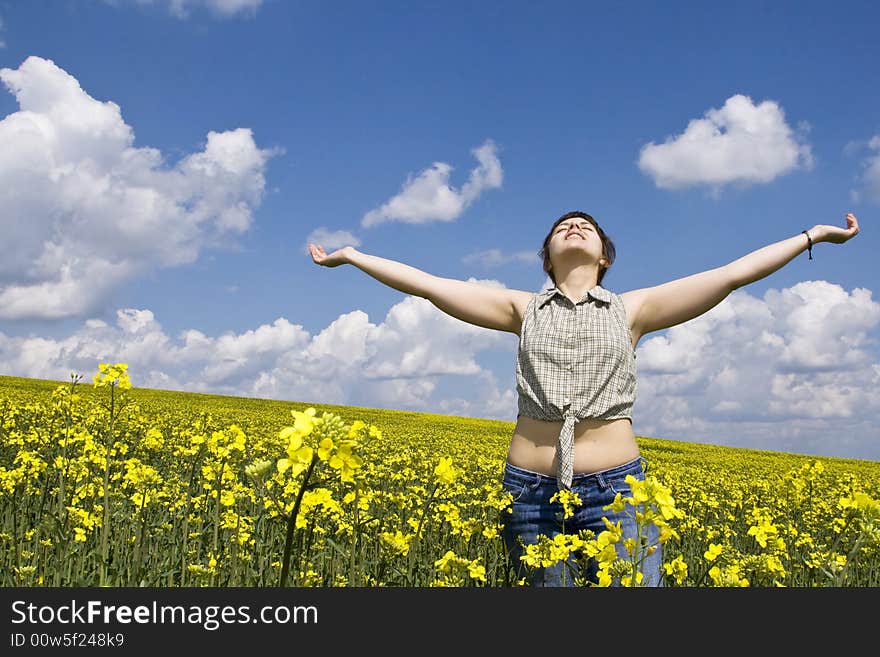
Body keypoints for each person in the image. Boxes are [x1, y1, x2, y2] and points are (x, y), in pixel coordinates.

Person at [308, 210, 861, 587]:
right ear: (547, 257)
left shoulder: (634, 309)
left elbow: (732, 274)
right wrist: (354, 255)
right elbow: (425, 284)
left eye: (587, 227)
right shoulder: (519, 308)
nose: (574, 226)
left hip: (618, 491)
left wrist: (811, 236)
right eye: (563, 227)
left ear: (604, 257)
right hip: (529, 495)